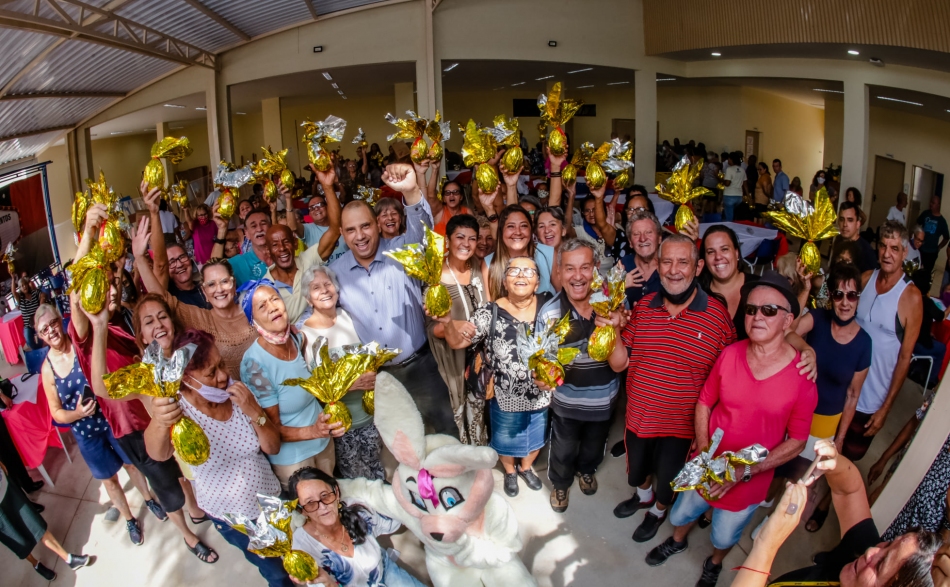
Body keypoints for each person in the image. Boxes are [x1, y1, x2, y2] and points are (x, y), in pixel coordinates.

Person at [647, 272, 817, 587]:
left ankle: (713, 564)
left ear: (788, 321)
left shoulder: (802, 378)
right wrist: (703, 452)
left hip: (749, 479)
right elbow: (704, 402)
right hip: (707, 462)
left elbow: (797, 441)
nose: (756, 316)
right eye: (751, 309)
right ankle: (678, 540)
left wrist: (745, 472)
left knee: (724, 533)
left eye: (769, 310)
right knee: (681, 514)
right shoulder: (730, 354)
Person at [143, 329, 293, 587]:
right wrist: (159, 420)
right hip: (232, 520)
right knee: (276, 573)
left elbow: (272, 447)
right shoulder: (178, 411)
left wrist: (254, 411)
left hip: (270, 498)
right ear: (188, 379)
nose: (223, 376)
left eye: (221, 364)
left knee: (293, 553)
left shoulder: (238, 395)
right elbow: (158, 453)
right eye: (211, 373)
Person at [614, 233, 736, 542]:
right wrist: (612, 329)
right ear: (656, 265)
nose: (674, 269)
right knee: (636, 472)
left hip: (681, 427)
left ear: (697, 268)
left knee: (668, 481)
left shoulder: (717, 317)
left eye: (683, 262)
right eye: (666, 261)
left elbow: (729, 375)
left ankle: (657, 511)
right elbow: (619, 362)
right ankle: (642, 495)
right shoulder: (642, 309)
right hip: (639, 418)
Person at [84, 294, 219, 563]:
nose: (158, 324)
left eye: (162, 316)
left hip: (215, 454)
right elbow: (100, 387)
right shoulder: (145, 375)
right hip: (177, 457)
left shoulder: (194, 353)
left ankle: (200, 511)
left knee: (196, 494)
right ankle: (187, 535)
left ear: (172, 322)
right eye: (148, 321)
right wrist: (99, 326)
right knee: (170, 494)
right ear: (143, 335)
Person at [330, 163, 455, 436]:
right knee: (401, 444)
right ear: (342, 234)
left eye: (365, 226)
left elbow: (424, 235)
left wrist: (411, 191)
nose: (360, 236)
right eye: (351, 230)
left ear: (376, 224)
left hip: (420, 368)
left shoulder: (401, 251)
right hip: (378, 377)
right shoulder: (336, 273)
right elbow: (323, 314)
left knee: (445, 435)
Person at [740, 440, 944, 587]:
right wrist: (834, 463)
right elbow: (850, 492)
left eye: (881, 565)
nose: (871, 551)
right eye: (888, 544)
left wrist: (766, 545)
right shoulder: (858, 563)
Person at [435, 256, 552, 497]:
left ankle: (526, 468)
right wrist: (448, 323)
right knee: (506, 440)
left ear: (538, 282)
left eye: (528, 272)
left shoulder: (549, 308)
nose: (521, 276)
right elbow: (458, 343)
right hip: (505, 395)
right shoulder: (490, 311)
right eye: (514, 271)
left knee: (537, 435)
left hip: (541, 393)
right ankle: (510, 471)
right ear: (505, 282)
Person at [36, 303, 145, 546]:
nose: (52, 331)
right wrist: (75, 413)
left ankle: (149, 499)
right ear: (40, 336)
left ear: (61, 321)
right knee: (110, 480)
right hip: (87, 434)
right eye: (45, 329)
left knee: (132, 465)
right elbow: (56, 412)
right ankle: (129, 519)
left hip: (110, 418)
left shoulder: (79, 344)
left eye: (54, 323)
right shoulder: (47, 369)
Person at [540, 240, 628, 512]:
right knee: (563, 450)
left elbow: (619, 365)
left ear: (596, 269)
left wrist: (613, 327)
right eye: (569, 268)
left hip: (603, 402)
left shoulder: (611, 304)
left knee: (594, 447)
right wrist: (543, 376)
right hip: (566, 404)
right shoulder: (550, 313)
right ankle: (560, 484)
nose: (577, 276)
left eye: (585, 267)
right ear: (559, 272)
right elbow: (545, 366)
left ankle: (587, 470)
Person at [788, 263, 873, 533]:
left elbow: (852, 395)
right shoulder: (818, 318)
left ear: (859, 297)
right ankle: (770, 509)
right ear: (831, 297)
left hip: (827, 421)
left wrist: (841, 438)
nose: (845, 302)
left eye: (852, 295)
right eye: (838, 295)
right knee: (784, 467)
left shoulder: (864, 343)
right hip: (797, 410)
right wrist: (806, 348)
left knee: (804, 477)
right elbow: (788, 331)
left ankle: (783, 519)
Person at [238, 280, 343, 489]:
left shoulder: (296, 339)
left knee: (333, 498)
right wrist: (313, 431)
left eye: (275, 299)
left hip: (322, 443)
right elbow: (271, 427)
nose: (272, 307)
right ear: (253, 321)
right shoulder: (254, 364)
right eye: (262, 306)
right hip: (295, 461)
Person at [132, 218, 256, 380]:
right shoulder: (202, 320)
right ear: (204, 291)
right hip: (238, 399)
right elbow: (161, 297)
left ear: (234, 284)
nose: (219, 289)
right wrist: (140, 259)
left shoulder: (254, 308)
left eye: (224, 281)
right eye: (211, 284)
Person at [297, 265, 384, 480]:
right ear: (308, 299)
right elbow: (313, 387)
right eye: (316, 287)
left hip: (372, 418)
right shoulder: (304, 334)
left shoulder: (350, 317)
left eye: (327, 284)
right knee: (357, 484)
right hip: (341, 427)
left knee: (379, 474)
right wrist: (351, 383)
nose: (324, 290)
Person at [846, 220, 922, 463]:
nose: (887, 254)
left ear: (904, 252)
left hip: (872, 397)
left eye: (894, 248)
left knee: (852, 455)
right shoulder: (866, 278)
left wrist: (885, 408)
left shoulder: (911, 297)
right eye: (883, 246)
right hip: (845, 385)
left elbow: (904, 358)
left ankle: (828, 500)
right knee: (828, 445)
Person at [289, 467, 423, 587]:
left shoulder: (356, 509)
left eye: (325, 496)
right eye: (310, 503)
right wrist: (329, 584)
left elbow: (395, 514)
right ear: (302, 510)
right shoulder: (302, 549)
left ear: (336, 492)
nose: (323, 507)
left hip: (385, 570)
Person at [427, 214, 491, 445]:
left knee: (479, 410)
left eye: (472, 238)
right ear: (448, 240)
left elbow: (490, 305)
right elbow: (432, 327)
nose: (466, 244)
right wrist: (453, 325)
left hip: (480, 355)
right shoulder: (435, 275)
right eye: (460, 237)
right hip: (452, 355)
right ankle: (462, 460)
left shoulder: (478, 265)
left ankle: (479, 455)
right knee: (456, 410)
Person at [0, 463, 95, 581]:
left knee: (36, 525)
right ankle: (35, 564)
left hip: (6, 489)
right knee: (19, 542)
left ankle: (69, 559)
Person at [692, 224, 760, 339]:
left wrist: (802, 348)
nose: (718, 257)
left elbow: (785, 331)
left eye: (724, 249)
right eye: (711, 252)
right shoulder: (696, 291)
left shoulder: (759, 286)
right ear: (704, 260)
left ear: (736, 253)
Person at [484, 205, 556, 299]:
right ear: (501, 231)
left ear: (531, 230)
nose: (518, 232)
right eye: (511, 226)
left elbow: (564, 296)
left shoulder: (548, 253)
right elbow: (489, 307)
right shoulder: (489, 263)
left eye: (523, 226)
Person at [620, 209, 662, 308]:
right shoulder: (622, 265)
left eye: (648, 232)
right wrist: (619, 286)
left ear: (659, 238)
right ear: (630, 242)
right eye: (636, 234)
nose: (642, 239)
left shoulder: (670, 266)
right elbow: (603, 300)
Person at [916, 194, 950, 285]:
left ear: (938, 205)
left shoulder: (942, 221)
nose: (931, 204)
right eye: (931, 202)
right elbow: (917, 225)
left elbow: (946, 237)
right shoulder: (925, 214)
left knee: (926, 274)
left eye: (933, 203)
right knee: (916, 270)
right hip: (920, 249)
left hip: (931, 252)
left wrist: (939, 247)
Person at [838, 201, 878, 273]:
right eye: (842, 219)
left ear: (858, 224)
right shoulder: (838, 241)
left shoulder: (866, 252)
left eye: (850, 220)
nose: (845, 224)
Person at [11, 276, 45, 349]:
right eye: (21, 286)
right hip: (28, 325)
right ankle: (37, 350)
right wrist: (13, 279)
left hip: (37, 322)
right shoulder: (20, 298)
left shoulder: (34, 293)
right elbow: (13, 292)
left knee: (41, 339)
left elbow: (43, 294)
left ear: (27, 284)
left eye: (24, 284)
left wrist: (41, 302)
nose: (24, 287)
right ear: (20, 289)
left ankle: (41, 349)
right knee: (29, 341)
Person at [722, 152, 746, 221]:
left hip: (729, 195)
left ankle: (729, 230)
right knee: (735, 215)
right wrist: (747, 195)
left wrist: (721, 180)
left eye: (729, 159)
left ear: (731, 159)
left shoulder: (729, 169)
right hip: (739, 196)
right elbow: (745, 184)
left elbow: (727, 183)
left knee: (729, 217)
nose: (728, 161)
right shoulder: (742, 170)